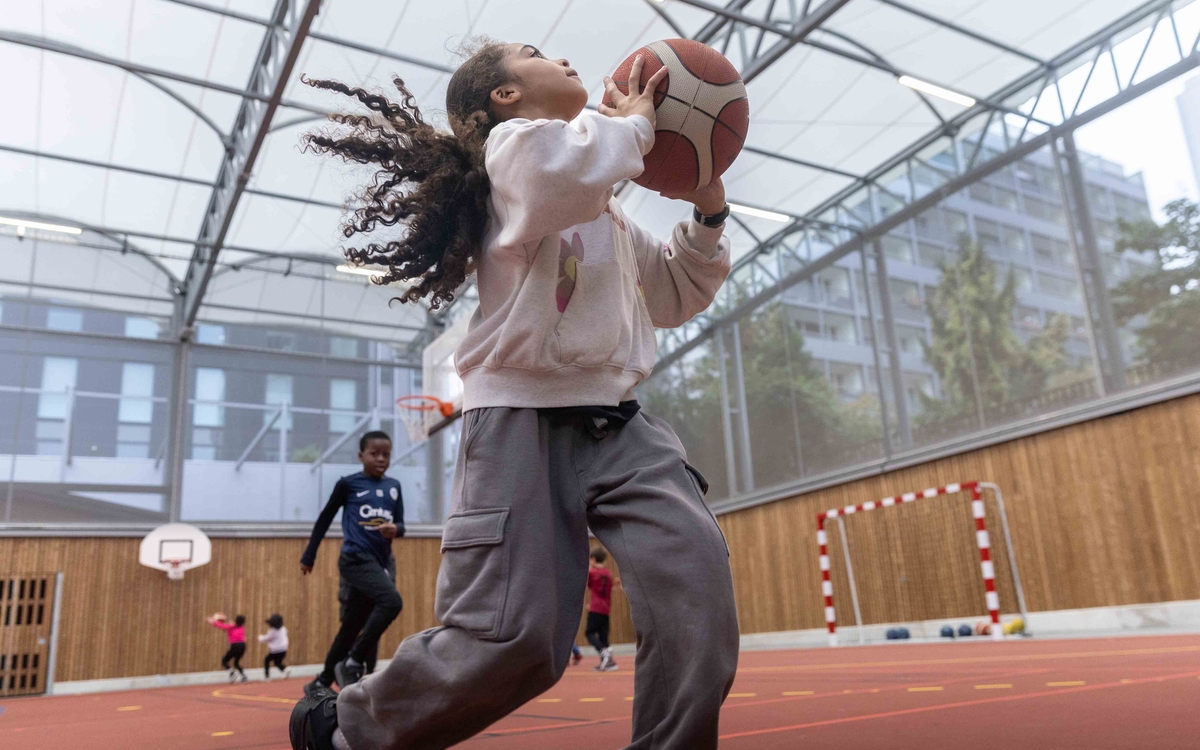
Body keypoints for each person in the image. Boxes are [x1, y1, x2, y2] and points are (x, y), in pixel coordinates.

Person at [291, 40, 738, 750]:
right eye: (534, 54)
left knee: (699, 593)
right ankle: (347, 730)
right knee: (517, 640)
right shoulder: (518, 154)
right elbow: (562, 172)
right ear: (502, 97)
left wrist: (707, 208)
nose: (564, 58)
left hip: (622, 427)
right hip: (519, 419)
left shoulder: (606, 210)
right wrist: (639, 124)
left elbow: (676, 292)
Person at [299, 431, 405, 694]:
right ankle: (353, 662)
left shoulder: (394, 486)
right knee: (391, 602)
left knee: (353, 626)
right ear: (361, 456)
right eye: (374, 454)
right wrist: (309, 554)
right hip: (354, 559)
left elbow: (401, 523)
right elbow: (325, 518)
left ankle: (322, 681)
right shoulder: (348, 484)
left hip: (380, 562)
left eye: (386, 455)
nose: (381, 459)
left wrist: (397, 529)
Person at [585, 548, 620, 672]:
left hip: (596, 608)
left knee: (589, 633)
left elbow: (588, 583)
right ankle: (609, 663)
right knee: (603, 636)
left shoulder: (593, 573)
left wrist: (589, 566)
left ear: (593, 559)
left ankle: (603, 652)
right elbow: (610, 587)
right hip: (606, 609)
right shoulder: (608, 573)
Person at [207, 613, 248, 683]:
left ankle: (232, 673)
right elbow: (228, 628)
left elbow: (222, 626)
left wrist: (213, 621)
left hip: (235, 645)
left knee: (224, 661)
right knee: (236, 662)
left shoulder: (231, 626)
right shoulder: (242, 627)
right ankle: (243, 677)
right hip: (243, 646)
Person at [259, 613, 291, 681]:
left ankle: (267, 677)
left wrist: (260, 637)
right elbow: (286, 632)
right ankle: (285, 669)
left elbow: (266, 639)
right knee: (277, 663)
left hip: (275, 650)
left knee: (267, 660)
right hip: (284, 649)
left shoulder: (272, 631)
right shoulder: (283, 628)